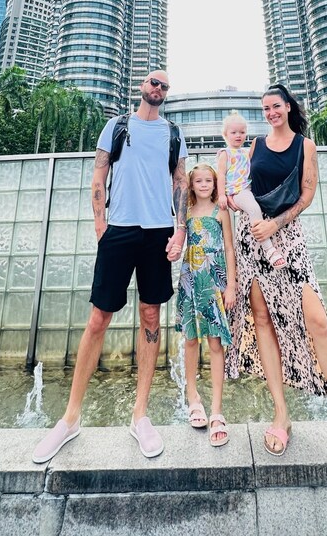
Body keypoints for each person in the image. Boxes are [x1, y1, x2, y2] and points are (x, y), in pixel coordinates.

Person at [32, 69, 188, 463]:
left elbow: (180, 181)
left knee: (151, 316)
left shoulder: (173, 133)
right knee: (99, 318)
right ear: (141, 86)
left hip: (158, 233)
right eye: (153, 82)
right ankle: (70, 418)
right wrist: (100, 222)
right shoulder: (117, 126)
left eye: (164, 86)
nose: (158, 89)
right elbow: (99, 172)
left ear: (167, 94)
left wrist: (180, 228)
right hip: (118, 230)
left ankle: (140, 415)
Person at [226, 83, 327, 480]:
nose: (270, 112)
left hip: (287, 238)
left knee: (318, 322)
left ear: (290, 106)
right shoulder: (253, 146)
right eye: (265, 108)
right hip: (252, 238)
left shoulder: (305, 145)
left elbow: (306, 196)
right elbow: (234, 185)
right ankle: (281, 414)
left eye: (275, 106)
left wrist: (276, 223)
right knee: (263, 321)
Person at [175, 163, 236, 446]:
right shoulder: (185, 213)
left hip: (214, 282)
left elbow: (229, 247)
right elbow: (179, 244)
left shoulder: (220, 211)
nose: (203, 184)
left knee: (214, 344)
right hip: (191, 279)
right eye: (197, 180)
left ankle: (216, 409)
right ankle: (193, 398)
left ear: (215, 183)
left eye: (208, 180)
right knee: (190, 341)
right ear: (191, 184)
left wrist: (231, 285)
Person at [217, 111, 285, 269]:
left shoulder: (246, 152)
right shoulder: (225, 154)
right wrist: (222, 195)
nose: (238, 135)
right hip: (237, 191)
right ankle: (269, 249)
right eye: (233, 132)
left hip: (249, 189)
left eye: (242, 132)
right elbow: (220, 175)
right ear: (225, 134)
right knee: (254, 209)